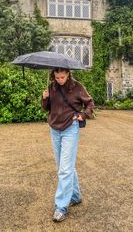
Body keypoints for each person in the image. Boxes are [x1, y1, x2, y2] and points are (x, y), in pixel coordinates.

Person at [41, 68, 94, 222]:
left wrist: (83, 115)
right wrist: (45, 98)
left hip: (70, 128)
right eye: (57, 77)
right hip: (54, 129)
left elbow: (90, 103)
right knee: (63, 167)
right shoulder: (51, 87)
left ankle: (61, 206)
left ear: (68, 74)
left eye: (62, 77)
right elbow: (47, 108)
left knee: (65, 169)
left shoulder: (78, 87)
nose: (60, 80)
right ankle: (75, 196)